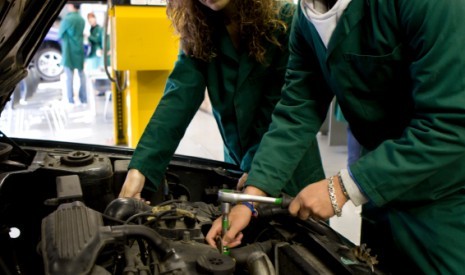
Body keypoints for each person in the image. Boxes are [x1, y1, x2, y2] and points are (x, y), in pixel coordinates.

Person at [206, 0, 465, 273]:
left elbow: (451, 123)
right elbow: (297, 110)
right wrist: (251, 198)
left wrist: (342, 188)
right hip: (382, 191)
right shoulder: (306, 17)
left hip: (444, 198)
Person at [118, 0, 325, 208]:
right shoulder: (199, 28)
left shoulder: (285, 21)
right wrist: (141, 168)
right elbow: (178, 97)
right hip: (237, 171)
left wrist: (255, 175)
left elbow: (285, 109)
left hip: (289, 170)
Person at [58, 4, 87, 106]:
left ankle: (71, 100)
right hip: (79, 50)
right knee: (82, 76)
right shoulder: (82, 20)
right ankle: (83, 99)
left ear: (72, 6)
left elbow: (60, 34)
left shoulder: (67, 20)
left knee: (69, 78)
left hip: (68, 52)